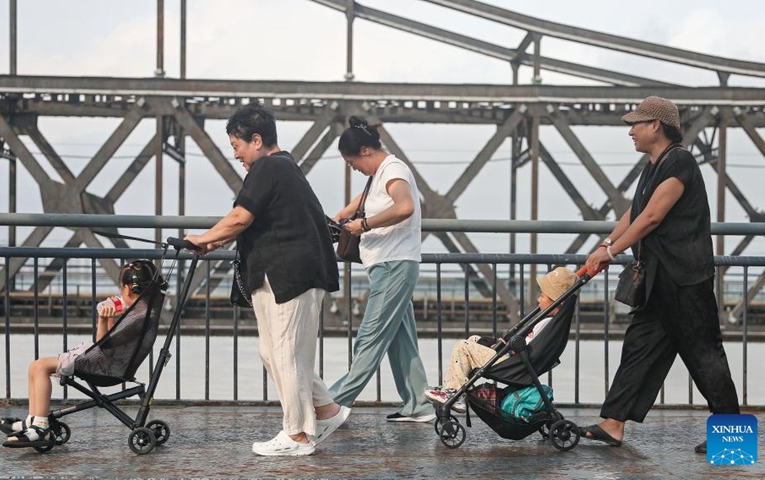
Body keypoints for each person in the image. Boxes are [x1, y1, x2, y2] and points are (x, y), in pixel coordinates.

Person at [184, 104, 348, 457]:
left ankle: (298, 435)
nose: (235, 153)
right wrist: (212, 241)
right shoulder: (283, 167)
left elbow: (241, 216)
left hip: (289, 273)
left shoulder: (269, 166)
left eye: (236, 144)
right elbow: (252, 220)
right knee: (274, 352)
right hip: (287, 272)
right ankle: (327, 411)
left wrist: (201, 238)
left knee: (287, 354)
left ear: (256, 140)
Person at [582, 96, 740, 453]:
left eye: (636, 124)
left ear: (656, 126)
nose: (631, 131)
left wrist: (610, 252)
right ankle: (614, 423)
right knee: (638, 348)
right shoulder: (654, 166)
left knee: (704, 356)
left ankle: (734, 438)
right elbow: (635, 212)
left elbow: (653, 217)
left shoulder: (680, 162)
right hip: (658, 278)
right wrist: (607, 243)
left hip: (685, 279)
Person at [327, 116, 435, 423]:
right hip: (388, 265)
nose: (354, 169)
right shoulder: (379, 175)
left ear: (364, 150)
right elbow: (366, 199)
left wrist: (363, 224)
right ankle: (419, 405)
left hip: (394, 265)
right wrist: (342, 217)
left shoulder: (394, 169)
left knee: (370, 338)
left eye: (352, 163)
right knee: (402, 341)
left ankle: (332, 405)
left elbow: (405, 207)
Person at [0, 260, 167, 448]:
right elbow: (111, 344)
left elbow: (102, 343)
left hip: (101, 367)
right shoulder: (144, 312)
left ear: (126, 289)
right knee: (36, 367)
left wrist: (104, 318)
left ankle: (40, 428)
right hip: (112, 364)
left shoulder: (137, 319)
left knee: (39, 367)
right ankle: (34, 421)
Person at [424, 267, 578, 413]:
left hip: (513, 366)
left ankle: (455, 394)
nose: (538, 299)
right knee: (474, 340)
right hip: (516, 362)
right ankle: (455, 386)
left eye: (542, 295)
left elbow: (528, 348)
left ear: (557, 301)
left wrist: (510, 346)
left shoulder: (547, 324)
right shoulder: (553, 323)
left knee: (463, 347)